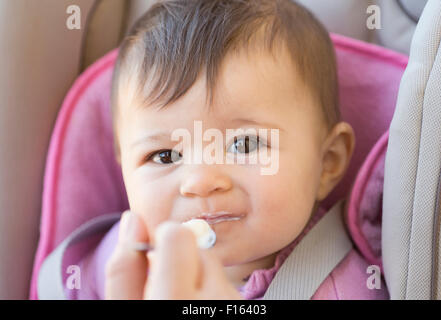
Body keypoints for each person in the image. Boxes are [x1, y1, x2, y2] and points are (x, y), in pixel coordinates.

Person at [76, 0, 388, 300]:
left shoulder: (344, 291)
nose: (200, 181)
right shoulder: (116, 261)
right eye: (165, 156)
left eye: (244, 144)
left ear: (327, 162)